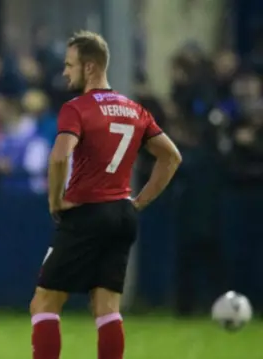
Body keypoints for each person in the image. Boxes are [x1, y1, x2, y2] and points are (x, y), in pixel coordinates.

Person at [29, 31, 182, 359]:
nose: (64, 73)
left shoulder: (77, 108)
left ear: (89, 67)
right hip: (122, 215)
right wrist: (139, 202)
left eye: (69, 66)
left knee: (44, 303)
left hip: (86, 212)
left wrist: (55, 200)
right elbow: (171, 157)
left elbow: (59, 156)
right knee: (107, 307)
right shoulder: (135, 109)